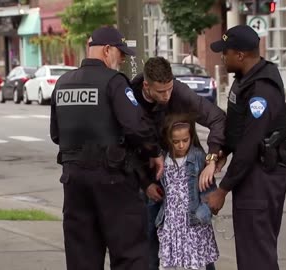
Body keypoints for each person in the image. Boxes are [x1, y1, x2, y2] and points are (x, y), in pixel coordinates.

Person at [50, 26, 165, 270]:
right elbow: (136, 127)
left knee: (82, 254)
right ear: (107, 50)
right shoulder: (114, 82)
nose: (122, 59)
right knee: (129, 253)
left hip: (74, 182)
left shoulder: (63, 83)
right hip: (112, 179)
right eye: (120, 53)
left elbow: (55, 134)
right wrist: (154, 152)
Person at [206, 25, 286, 270]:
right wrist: (223, 152)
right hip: (251, 177)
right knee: (251, 251)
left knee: (257, 256)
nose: (222, 57)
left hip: (261, 178)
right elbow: (237, 129)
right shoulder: (245, 79)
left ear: (240, 55)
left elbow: (250, 143)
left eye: (226, 52)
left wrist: (222, 190)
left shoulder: (262, 89)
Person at [130, 56, 226, 270]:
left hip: (187, 176)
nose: (167, 96)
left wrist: (211, 158)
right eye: (161, 92)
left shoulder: (180, 93)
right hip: (149, 177)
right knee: (148, 241)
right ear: (147, 85)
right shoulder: (130, 97)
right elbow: (125, 144)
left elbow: (218, 118)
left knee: (198, 239)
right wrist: (145, 183)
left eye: (169, 89)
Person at [155, 113, 219, 270]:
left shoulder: (197, 157)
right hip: (171, 222)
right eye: (176, 142)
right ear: (168, 140)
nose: (181, 145)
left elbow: (209, 191)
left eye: (185, 140)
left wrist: (204, 212)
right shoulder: (164, 159)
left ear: (191, 137)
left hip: (193, 223)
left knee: (195, 264)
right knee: (169, 264)